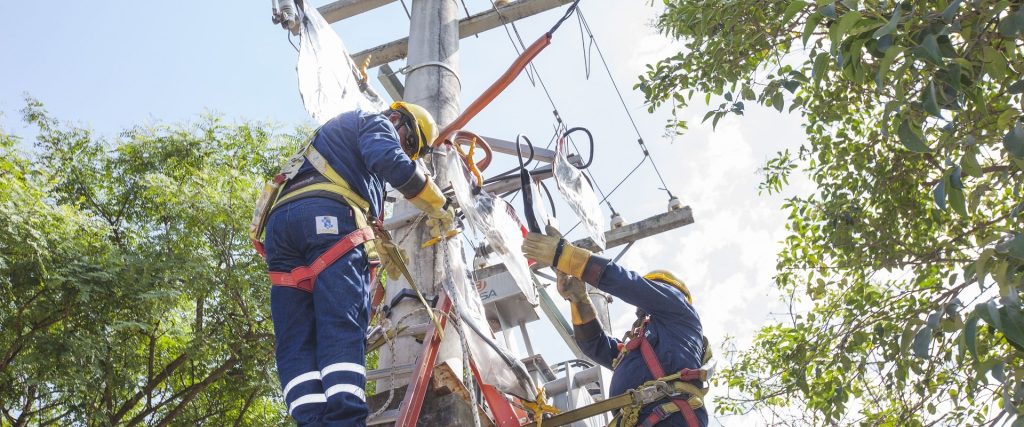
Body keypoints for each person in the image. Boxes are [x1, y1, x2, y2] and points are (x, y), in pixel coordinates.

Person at [261, 102, 454, 426]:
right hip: (327, 220)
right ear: (396, 119)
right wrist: (440, 204)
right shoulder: (374, 123)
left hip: (282, 233)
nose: (406, 154)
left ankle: (311, 420)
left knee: (297, 339)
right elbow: (390, 161)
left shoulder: (334, 145)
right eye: (409, 145)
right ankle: (345, 419)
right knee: (342, 322)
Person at [522, 226, 709, 427]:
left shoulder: (679, 313)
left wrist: (568, 257)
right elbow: (594, 344)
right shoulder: (636, 348)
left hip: (671, 416)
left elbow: (631, 285)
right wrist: (579, 300)